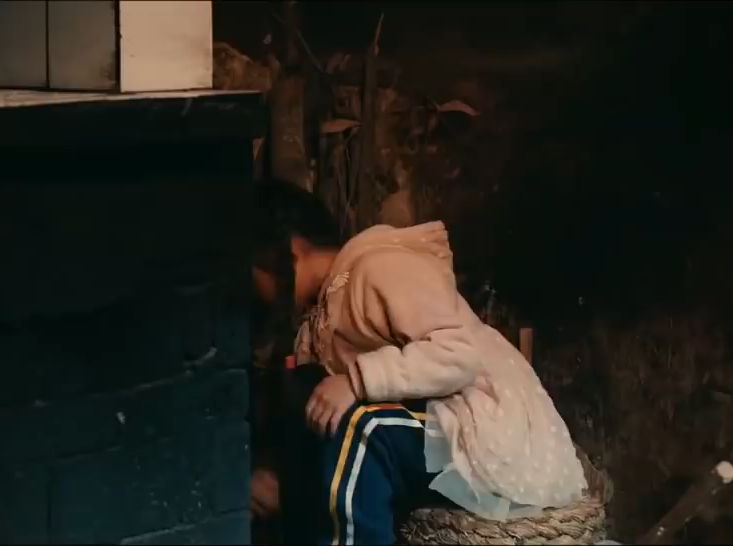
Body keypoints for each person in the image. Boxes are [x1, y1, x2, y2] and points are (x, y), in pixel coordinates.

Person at [250, 180, 588, 545]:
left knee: (363, 429)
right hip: (430, 430)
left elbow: (458, 355)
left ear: (288, 251)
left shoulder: (380, 266)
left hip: (485, 428)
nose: (254, 294)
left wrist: (356, 381)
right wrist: (283, 477)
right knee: (316, 400)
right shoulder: (320, 315)